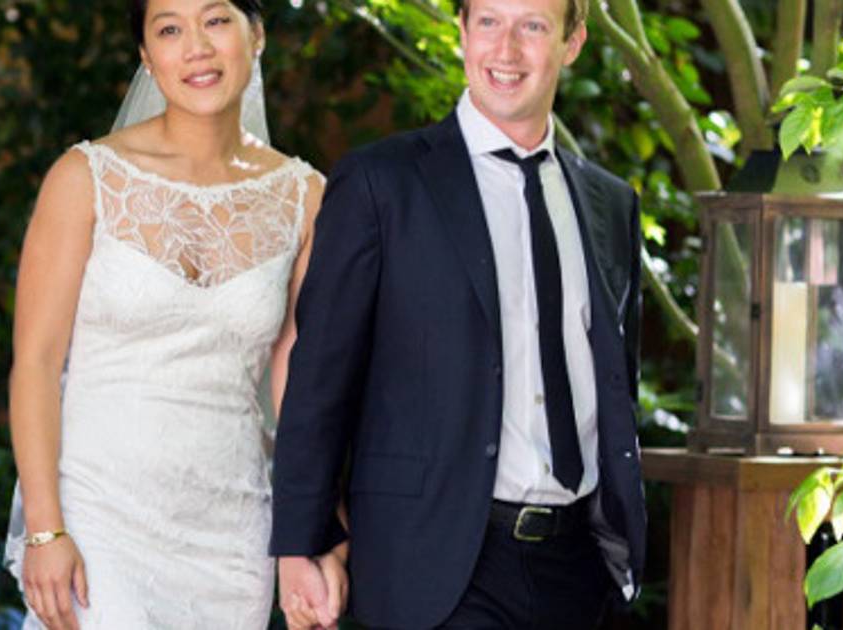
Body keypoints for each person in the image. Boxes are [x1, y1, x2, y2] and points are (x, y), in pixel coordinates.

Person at [270, 0, 646, 627]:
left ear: (572, 42)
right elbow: (319, 379)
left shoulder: (612, 203)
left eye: (533, 26)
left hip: (579, 567)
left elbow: (613, 383)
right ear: (463, 32)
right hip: (437, 565)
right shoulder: (381, 183)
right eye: (489, 22)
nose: (507, 50)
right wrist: (302, 543)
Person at [1, 1, 328, 628]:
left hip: (232, 534)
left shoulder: (303, 196)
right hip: (98, 519)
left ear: (256, 35)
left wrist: (305, 533)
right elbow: (36, 363)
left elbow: (298, 380)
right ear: (147, 58)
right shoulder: (84, 178)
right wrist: (45, 530)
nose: (196, 47)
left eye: (216, 20)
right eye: (170, 29)